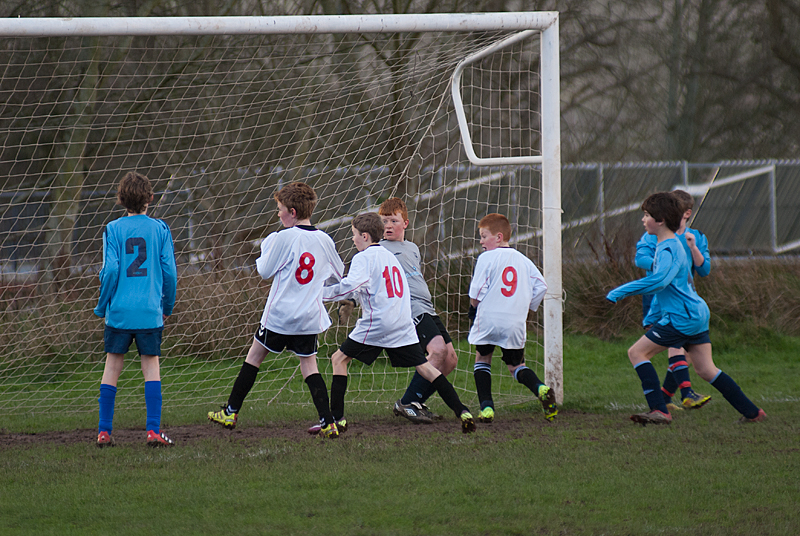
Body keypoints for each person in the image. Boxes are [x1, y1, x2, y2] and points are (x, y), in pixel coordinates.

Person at [607, 192, 765, 425]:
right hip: (696, 312)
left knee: (637, 353)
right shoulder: (668, 244)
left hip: (682, 316)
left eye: (647, 215)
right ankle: (752, 412)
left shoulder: (669, 248)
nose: (643, 220)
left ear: (660, 220)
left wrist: (619, 291)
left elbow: (660, 281)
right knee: (706, 369)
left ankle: (659, 410)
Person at [207, 182, 345, 439]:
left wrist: (266, 247)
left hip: (279, 316)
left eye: (280, 209)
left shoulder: (283, 237)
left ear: (292, 212)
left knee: (254, 357)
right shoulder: (324, 239)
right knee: (310, 366)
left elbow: (264, 271)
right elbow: (339, 273)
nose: (278, 214)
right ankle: (328, 422)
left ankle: (230, 411)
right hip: (308, 318)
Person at [322, 212, 476, 433]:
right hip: (402, 324)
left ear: (365, 236)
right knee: (426, 368)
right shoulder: (390, 257)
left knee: (339, 359)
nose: (353, 239)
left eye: (354, 235)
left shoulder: (363, 257)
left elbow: (350, 286)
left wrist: (319, 293)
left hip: (378, 323)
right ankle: (462, 411)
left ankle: (337, 419)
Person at [94, 171, 178, 448]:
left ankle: (104, 432)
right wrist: (167, 305)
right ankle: (153, 431)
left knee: (112, 366)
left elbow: (111, 270)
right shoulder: (161, 229)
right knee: (151, 366)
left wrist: (102, 304)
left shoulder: (113, 229)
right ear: (150, 199)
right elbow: (169, 273)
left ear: (120, 200)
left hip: (119, 311)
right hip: (149, 311)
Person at [374, 197, 459, 424]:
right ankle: (407, 402)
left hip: (427, 308)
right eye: (384, 221)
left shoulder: (412, 248)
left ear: (406, 224)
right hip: (410, 309)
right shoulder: (378, 250)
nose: (388, 226)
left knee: (450, 359)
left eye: (393, 220)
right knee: (438, 351)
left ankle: (416, 401)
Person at [467, 213, 554, 423]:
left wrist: (472, 310)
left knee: (482, 359)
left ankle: (487, 408)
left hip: (488, 319)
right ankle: (541, 388)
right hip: (514, 323)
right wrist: (527, 308)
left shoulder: (486, 257)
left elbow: (476, 292)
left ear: (498, 237)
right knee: (516, 367)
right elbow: (541, 286)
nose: (480, 241)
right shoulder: (523, 260)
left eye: (483, 236)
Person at [636, 190, 712, 412]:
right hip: (659, 297)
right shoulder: (653, 235)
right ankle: (685, 394)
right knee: (676, 344)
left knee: (687, 354)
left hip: (686, 299)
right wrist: (665, 267)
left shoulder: (695, 237)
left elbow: (704, 269)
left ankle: (666, 397)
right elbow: (640, 259)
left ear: (686, 213)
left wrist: (693, 247)